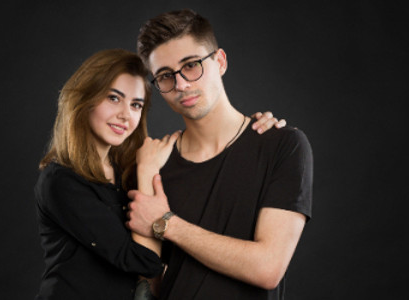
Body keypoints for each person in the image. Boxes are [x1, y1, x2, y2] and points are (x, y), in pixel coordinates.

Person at [34, 49, 286, 299]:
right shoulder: (61, 180)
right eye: (113, 98)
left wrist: (250, 132)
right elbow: (142, 262)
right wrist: (147, 171)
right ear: (85, 99)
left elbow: (171, 247)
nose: (125, 114)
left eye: (135, 105)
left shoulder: (126, 173)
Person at [125, 9, 313, 300]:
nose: (181, 84)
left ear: (220, 61)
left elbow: (268, 268)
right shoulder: (154, 164)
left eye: (191, 65)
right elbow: (149, 286)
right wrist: (146, 174)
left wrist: (166, 223)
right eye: (165, 76)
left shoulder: (282, 146)